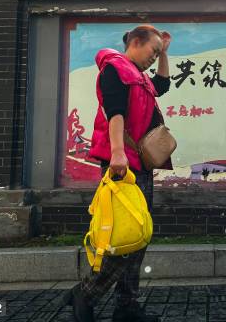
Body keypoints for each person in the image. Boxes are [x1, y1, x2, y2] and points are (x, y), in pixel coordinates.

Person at [64, 25, 171, 322]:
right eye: (153, 51)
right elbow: (115, 112)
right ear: (136, 42)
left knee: (138, 236)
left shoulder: (138, 77)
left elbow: (162, 84)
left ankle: (126, 306)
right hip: (123, 164)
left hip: (142, 166)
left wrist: (165, 52)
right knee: (122, 237)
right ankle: (84, 295)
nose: (154, 57)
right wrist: (117, 152)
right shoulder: (115, 69)